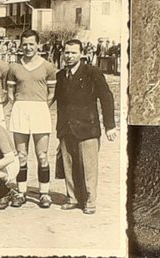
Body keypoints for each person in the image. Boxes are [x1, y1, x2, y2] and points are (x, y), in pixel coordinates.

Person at [52, 39, 117, 215]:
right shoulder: (60, 75)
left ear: (82, 54)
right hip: (66, 127)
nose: (69, 56)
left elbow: (106, 97)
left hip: (87, 127)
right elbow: (54, 101)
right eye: (66, 52)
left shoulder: (92, 72)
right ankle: (72, 198)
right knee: (69, 164)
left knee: (88, 166)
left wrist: (109, 126)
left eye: (73, 52)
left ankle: (90, 200)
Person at [5, 30, 57, 208]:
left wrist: (39, 108)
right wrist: (22, 107)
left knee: (42, 155)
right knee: (21, 155)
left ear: (38, 45)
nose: (28, 47)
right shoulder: (14, 67)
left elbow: (51, 94)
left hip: (40, 109)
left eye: (31, 44)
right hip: (20, 109)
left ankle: (44, 193)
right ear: (21, 45)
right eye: (24, 44)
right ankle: (21, 192)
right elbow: (10, 94)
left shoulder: (48, 67)